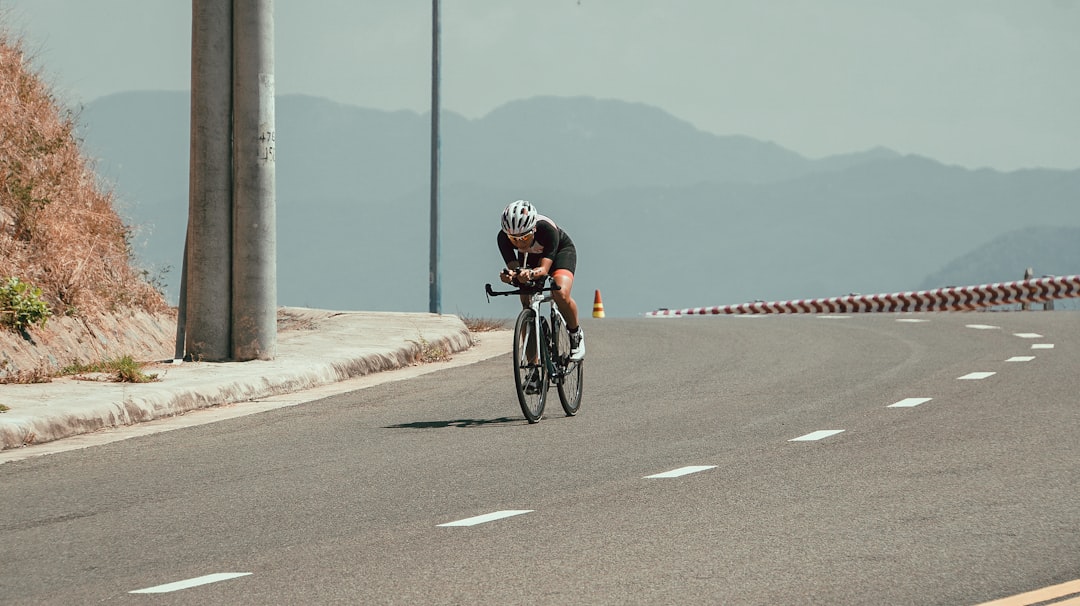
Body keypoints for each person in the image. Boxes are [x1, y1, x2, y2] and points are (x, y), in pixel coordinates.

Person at [497, 200, 585, 379]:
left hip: (559, 253)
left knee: (559, 292)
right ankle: (532, 368)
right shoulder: (503, 238)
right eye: (514, 239)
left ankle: (575, 334)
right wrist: (510, 276)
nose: (519, 242)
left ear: (533, 229)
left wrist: (530, 273)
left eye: (524, 237)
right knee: (526, 303)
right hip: (530, 260)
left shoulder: (546, 229)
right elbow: (515, 268)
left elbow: (544, 270)